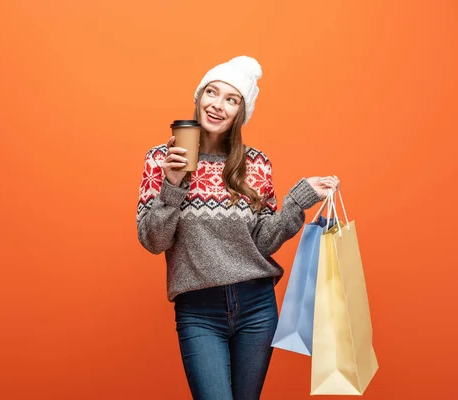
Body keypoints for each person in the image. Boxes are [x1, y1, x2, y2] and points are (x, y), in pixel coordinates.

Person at [135, 55, 340, 400]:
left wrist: (298, 200)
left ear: (240, 113)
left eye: (231, 99)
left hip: (257, 306)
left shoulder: (256, 163)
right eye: (211, 93)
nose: (217, 105)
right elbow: (154, 241)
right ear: (198, 98)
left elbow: (263, 241)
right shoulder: (162, 159)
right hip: (199, 310)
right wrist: (172, 184)